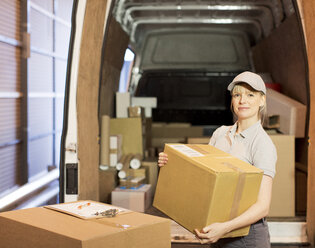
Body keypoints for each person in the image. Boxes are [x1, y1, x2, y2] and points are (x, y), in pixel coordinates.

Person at [158, 71, 277, 248]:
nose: (242, 100)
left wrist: (225, 228)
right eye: (237, 95)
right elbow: (204, 177)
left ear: (262, 100)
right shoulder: (220, 134)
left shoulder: (262, 144)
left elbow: (262, 206)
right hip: (218, 231)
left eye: (250, 95)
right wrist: (172, 163)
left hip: (247, 237)